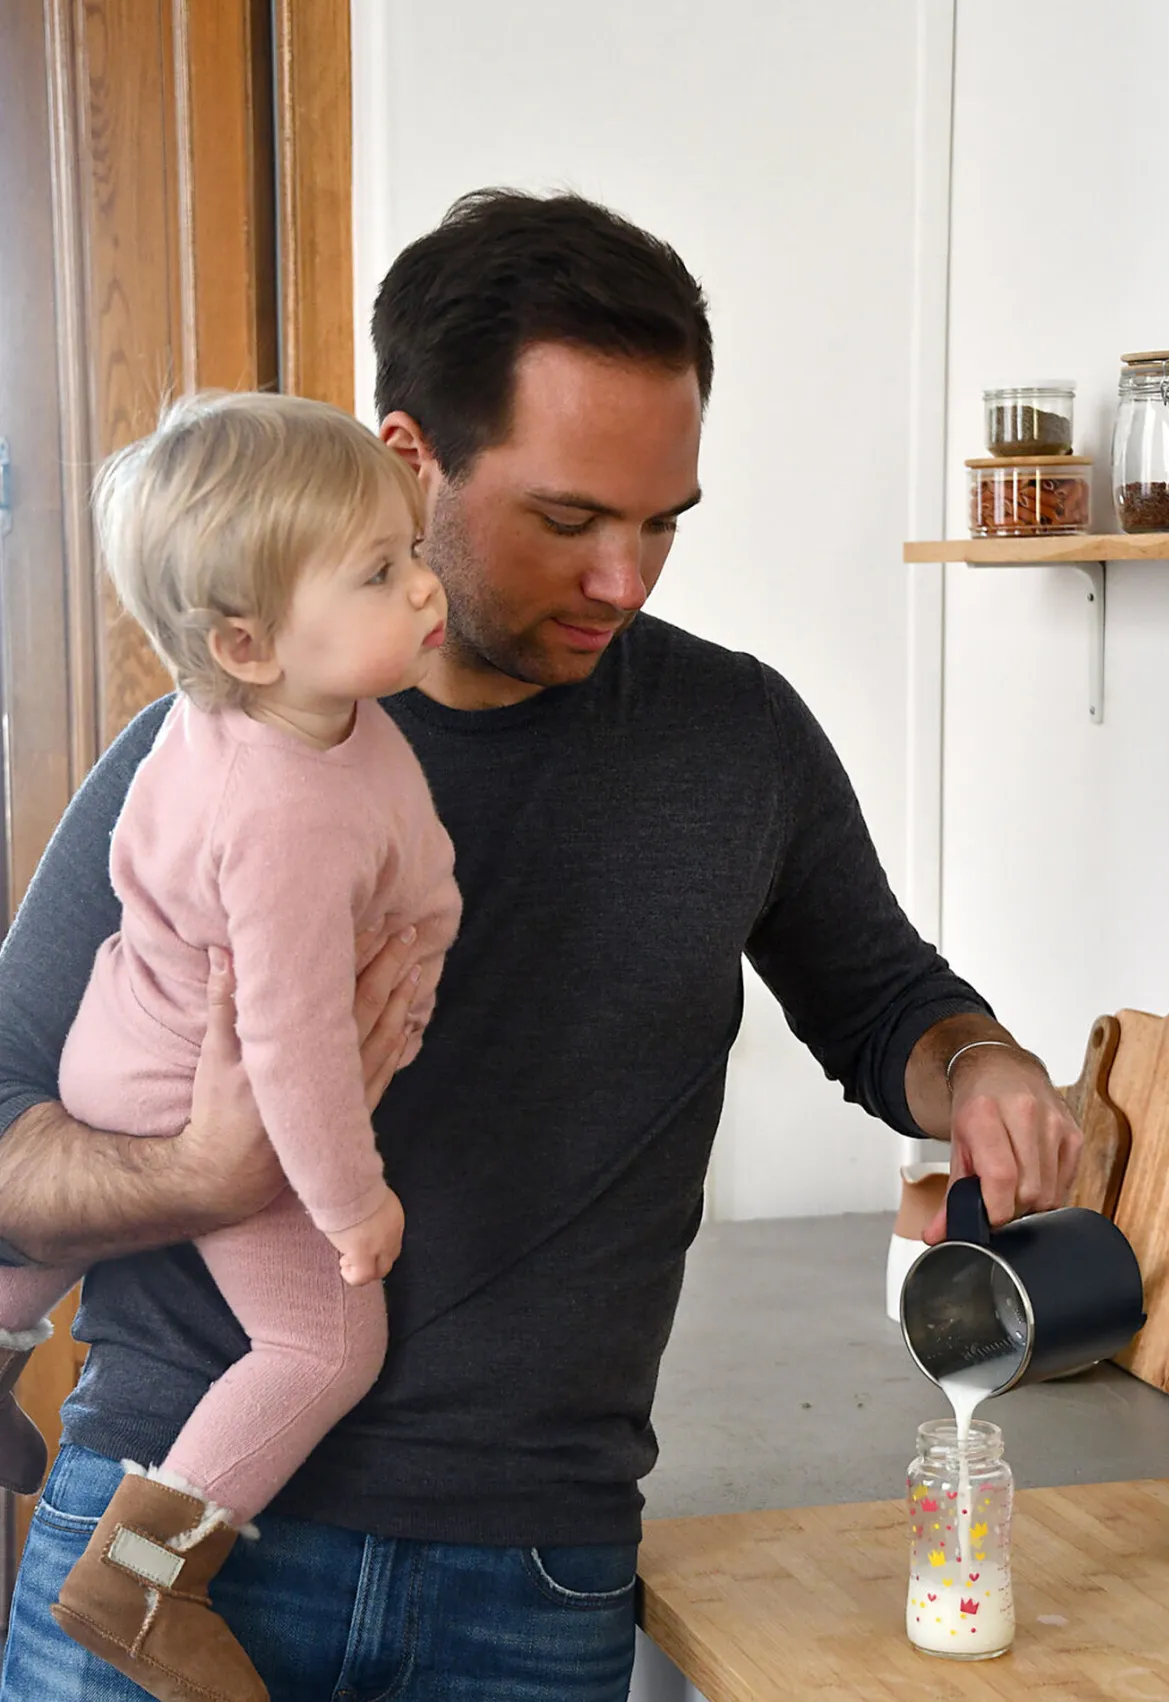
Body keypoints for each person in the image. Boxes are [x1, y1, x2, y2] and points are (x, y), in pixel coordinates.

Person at [0, 190, 1080, 1702]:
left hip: (530, 1584)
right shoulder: (214, 754)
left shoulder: (736, 740)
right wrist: (205, 1173)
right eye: (570, 521)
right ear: (408, 458)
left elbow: (888, 1001)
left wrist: (981, 1066)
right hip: (164, 1519)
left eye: (662, 522)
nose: (625, 580)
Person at [0, 392, 460, 1702]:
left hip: (121, 1034)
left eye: (410, 549)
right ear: (248, 645)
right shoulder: (284, 819)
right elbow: (293, 1045)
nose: (425, 587)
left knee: (69, 1234)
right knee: (324, 1347)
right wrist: (350, 1202)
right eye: (377, 573)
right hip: (181, 1088)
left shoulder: (288, 715)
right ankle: (140, 1582)